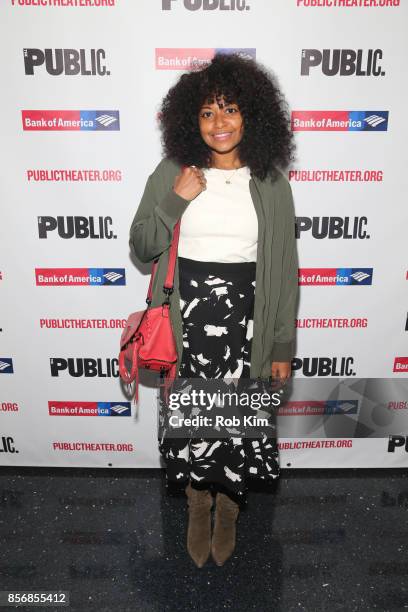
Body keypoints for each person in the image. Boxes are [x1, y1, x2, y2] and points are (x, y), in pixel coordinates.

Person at [129, 53, 299, 568]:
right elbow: (142, 246)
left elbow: (286, 270)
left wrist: (281, 346)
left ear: (252, 114)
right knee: (192, 421)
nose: (219, 124)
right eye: (207, 113)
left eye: (230, 110)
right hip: (188, 320)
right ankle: (198, 506)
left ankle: (229, 509)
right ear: (190, 119)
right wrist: (174, 201)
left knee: (240, 422)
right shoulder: (172, 172)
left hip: (248, 320)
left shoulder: (270, 182)